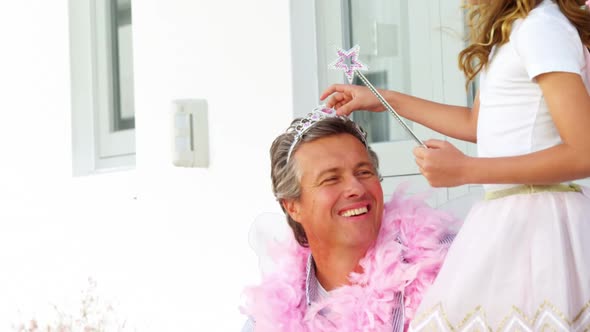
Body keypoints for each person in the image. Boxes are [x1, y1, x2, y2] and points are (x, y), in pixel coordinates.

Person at [321, 0, 590, 330]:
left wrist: (466, 170)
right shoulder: (514, 30)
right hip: (510, 217)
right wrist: (385, 99)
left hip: (539, 225)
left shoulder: (542, 27)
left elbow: (584, 152)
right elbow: (479, 123)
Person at [240, 105, 459, 332]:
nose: (355, 188)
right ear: (292, 206)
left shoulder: (447, 261)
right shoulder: (273, 316)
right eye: (331, 179)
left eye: (364, 172)